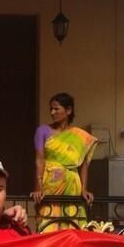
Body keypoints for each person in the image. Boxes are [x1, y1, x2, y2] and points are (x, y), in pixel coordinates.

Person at [31, 92, 98, 232]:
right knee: (48, 227)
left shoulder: (79, 136)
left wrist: (84, 189)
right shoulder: (43, 130)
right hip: (50, 186)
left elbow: (84, 164)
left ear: (68, 110)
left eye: (56, 109)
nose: (52, 112)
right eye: (51, 109)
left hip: (73, 188)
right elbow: (39, 159)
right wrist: (38, 187)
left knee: (73, 228)